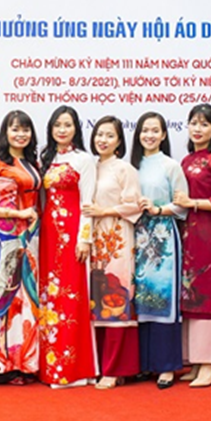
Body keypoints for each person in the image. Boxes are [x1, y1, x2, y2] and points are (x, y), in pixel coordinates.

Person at [0, 110, 42, 383]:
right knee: (3, 295)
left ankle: (24, 362)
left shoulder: (33, 162)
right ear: (5, 132)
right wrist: (15, 215)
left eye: (25, 129)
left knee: (27, 298)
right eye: (15, 129)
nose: (20, 134)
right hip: (5, 237)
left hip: (31, 237)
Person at [173, 104, 211, 388]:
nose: (197, 129)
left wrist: (193, 203)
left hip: (207, 233)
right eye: (194, 123)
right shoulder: (187, 160)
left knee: (207, 294)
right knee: (189, 294)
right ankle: (198, 359)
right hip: (187, 233)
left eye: (204, 124)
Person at [38, 105, 99, 388]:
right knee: (50, 298)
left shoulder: (83, 160)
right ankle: (51, 367)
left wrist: (84, 238)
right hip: (49, 236)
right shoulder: (46, 158)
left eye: (68, 125)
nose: (62, 130)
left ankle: (74, 370)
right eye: (57, 125)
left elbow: (88, 202)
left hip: (72, 234)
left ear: (76, 129)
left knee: (72, 297)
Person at [131, 111, 188, 389]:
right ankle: (144, 363)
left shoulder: (170, 166)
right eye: (145, 130)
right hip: (135, 235)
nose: (149, 135)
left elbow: (182, 205)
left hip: (163, 237)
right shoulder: (131, 165)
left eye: (155, 130)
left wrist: (158, 210)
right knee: (140, 300)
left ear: (164, 135)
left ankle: (166, 366)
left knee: (163, 299)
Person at [86, 116, 143, 390]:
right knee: (95, 302)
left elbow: (135, 205)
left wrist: (105, 211)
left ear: (119, 141)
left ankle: (116, 368)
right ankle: (98, 366)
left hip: (118, 238)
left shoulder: (124, 169)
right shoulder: (89, 167)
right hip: (94, 240)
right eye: (99, 134)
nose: (103, 140)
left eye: (109, 135)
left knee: (117, 298)